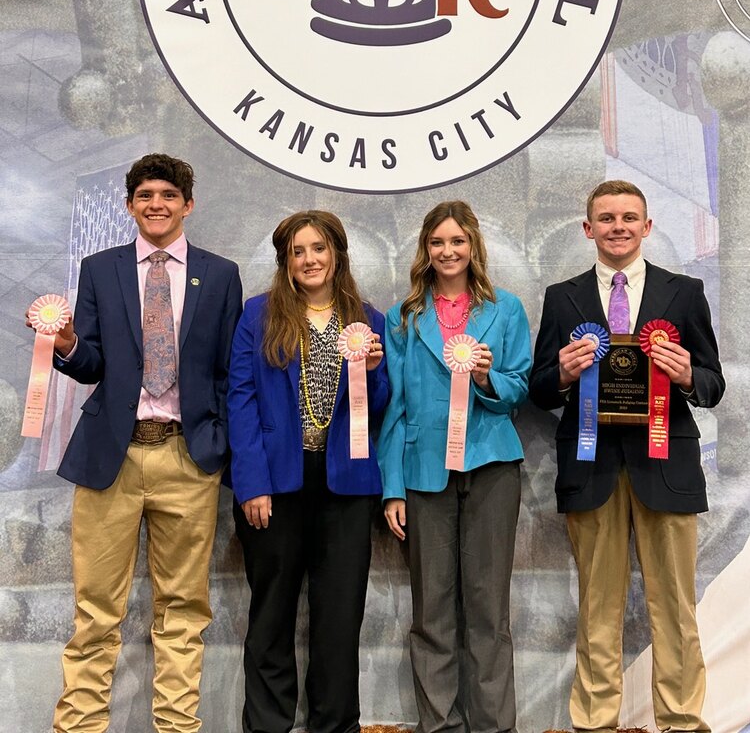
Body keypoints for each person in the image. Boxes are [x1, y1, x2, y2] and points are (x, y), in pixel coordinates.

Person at [44, 153, 243, 733]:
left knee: (183, 611)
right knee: (95, 611)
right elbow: (92, 364)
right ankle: (78, 727)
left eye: (168, 195)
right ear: (130, 204)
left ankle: (178, 728)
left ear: (188, 204)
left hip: (189, 457)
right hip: (113, 456)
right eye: (145, 194)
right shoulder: (100, 268)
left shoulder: (221, 273)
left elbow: (232, 369)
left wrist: (219, 441)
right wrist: (64, 344)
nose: (156, 204)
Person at [529, 179, 724, 733]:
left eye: (629, 217)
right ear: (588, 228)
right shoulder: (561, 297)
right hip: (591, 467)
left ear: (647, 226)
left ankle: (683, 721)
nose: (618, 227)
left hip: (667, 465)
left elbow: (713, 382)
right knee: (597, 609)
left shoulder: (684, 293)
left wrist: (687, 374)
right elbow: (541, 389)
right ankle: (594, 722)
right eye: (607, 218)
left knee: (676, 611)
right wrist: (563, 374)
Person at [227, 210, 389, 733]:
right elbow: (241, 401)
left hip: (346, 485)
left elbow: (381, 405)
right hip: (275, 486)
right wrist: (251, 483)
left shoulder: (368, 320)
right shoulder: (258, 315)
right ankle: (269, 724)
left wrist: (373, 372)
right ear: (286, 262)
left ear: (337, 254)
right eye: (298, 251)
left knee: (339, 618)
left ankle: (335, 724)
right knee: (271, 615)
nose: (309, 259)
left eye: (318, 248)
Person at [378, 200, 531, 733]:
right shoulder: (404, 317)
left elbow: (519, 387)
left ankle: (493, 725)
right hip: (424, 473)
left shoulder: (505, 309)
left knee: (489, 610)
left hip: (491, 466)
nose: (448, 251)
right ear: (426, 248)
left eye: (457, 242)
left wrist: (489, 379)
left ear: (473, 248)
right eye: (438, 242)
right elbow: (393, 406)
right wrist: (392, 487)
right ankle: (439, 724)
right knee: (432, 612)